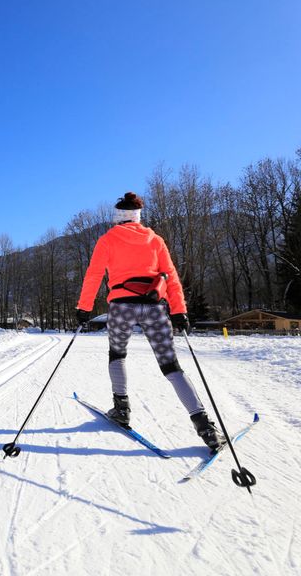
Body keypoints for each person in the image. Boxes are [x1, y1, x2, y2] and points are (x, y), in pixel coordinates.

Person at [75, 192, 224, 452]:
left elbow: (94, 274)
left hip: (121, 307)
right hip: (155, 307)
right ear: (138, 217)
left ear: (118, 217)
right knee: (171, 366)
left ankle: (121, 409)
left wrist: (84, 307)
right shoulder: (155, 240)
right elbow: (171, 276)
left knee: (117, 354)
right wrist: (179, 311)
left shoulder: (107, 239)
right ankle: (205, 427)